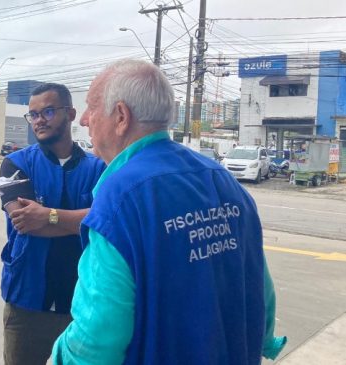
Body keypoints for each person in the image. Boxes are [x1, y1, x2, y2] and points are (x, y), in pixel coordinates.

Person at [52, 60, 286, 364]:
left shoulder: (121, 196)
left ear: (121, 116)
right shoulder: (222, 179)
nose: (83, 120)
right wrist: (265, 340)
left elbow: (98, 339)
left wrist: (58, 358)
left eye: (91, 107)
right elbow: (260, 290)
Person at [0, 83, 106, 365]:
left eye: (47, 111)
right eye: (33, 115)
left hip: (82, 303)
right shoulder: (15, 165)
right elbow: (26, 223)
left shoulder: (99, 168)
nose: (39, 120)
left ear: (71, 114)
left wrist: (48, 215)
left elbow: (105, 224)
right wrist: (83, 219)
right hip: (27, 301)